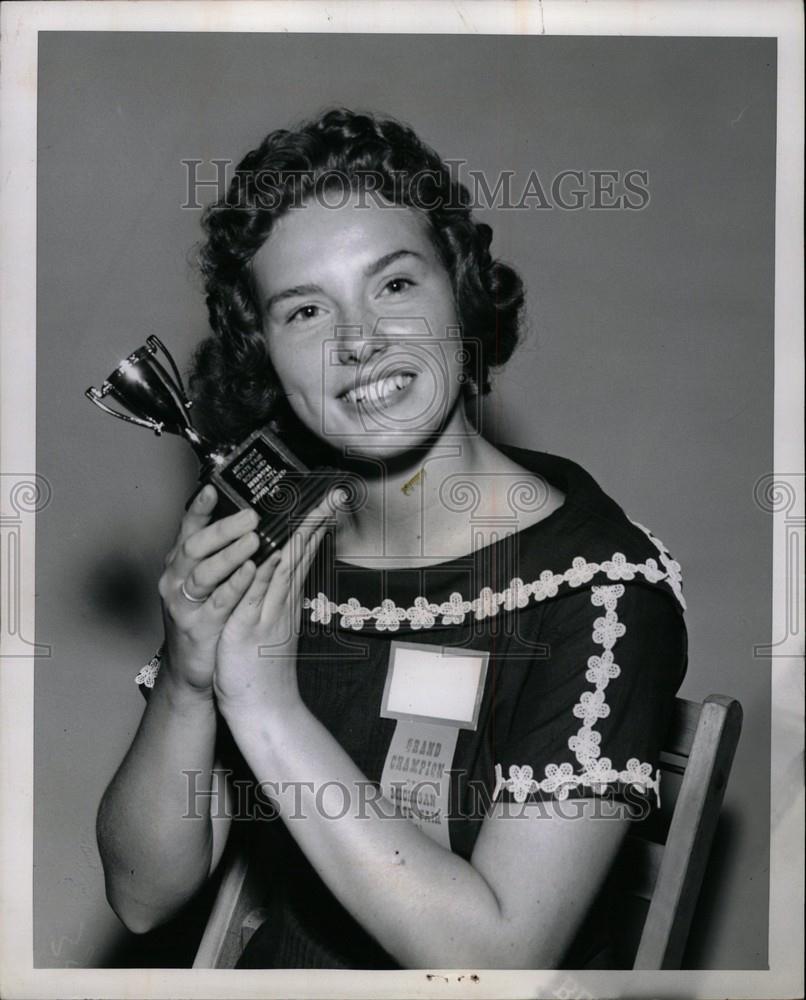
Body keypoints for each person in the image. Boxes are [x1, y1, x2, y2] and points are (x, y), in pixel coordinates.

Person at [96, 108, 687, 970]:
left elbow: (496, 964)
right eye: (304, 310)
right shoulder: (267, 539)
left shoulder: (597, 592)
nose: (360, 341)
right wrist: (190, 681)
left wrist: (263, 704)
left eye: (396, 285)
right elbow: (144, 900)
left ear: (462, 288)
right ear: (264, 352)